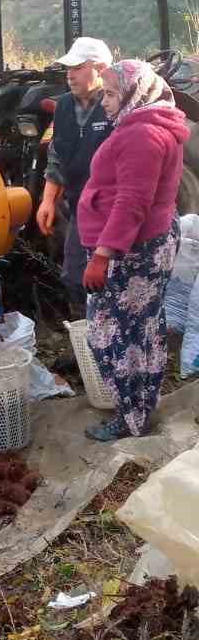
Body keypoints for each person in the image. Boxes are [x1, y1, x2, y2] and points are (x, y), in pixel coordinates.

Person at [77, 59, 189, 442]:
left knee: (111, 333)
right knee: (143, 327)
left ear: (132, 93)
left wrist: (101, 256)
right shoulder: (153, 123)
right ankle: (141, 408)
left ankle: (130, 417)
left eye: (110, 93)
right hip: (149, 242)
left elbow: (132, 204)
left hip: (133, 252)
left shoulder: (142, 136)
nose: (104, 101)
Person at [36, 36, 114, 311]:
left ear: (101, 68)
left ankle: (104, 341)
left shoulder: (118, 106)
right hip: (80, 204)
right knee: (73, 276)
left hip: (112, 207)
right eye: (68, 68)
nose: (70, 74)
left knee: (108, 279)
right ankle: (88, 340)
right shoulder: (65, 106)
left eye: (78, 67)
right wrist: (47, 200)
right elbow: (57, 154)